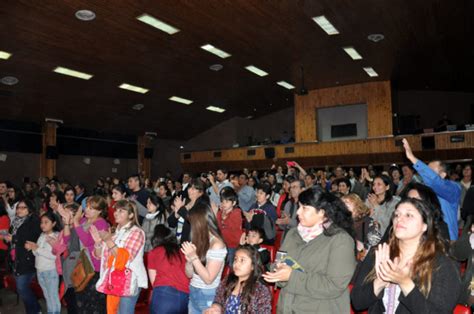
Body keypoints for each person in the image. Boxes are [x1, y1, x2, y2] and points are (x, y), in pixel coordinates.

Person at [351, 198, 461, 313]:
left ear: (425, 225)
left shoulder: (443, 265)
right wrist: (380, 281)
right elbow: (357, 302)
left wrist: (405, 282)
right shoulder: (380, 253)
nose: (399, 219)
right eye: (397, 214)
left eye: (409, 215)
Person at [262, 186, 356, 313]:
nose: (298, 212)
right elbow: (280, 260)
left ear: (322, 212)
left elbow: (335, 285)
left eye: (304, 208)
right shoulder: (293, 234)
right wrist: (276, 271)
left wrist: (291, 276)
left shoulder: (340, 240)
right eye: (299, 206)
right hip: (288, 308)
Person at [92, 199, 148, 314]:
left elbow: (124, 259)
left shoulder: (137, 232)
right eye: (116, 210)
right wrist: (98, 243)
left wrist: (108, 240)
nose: (116, 213)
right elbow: (99, 256)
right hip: (114, 280)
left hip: (129, 280)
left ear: (131, 215)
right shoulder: (115, 232)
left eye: (121, 211)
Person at [403, 138, 461, 240]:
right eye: (426, 171)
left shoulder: (453, 188)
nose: (426, 175)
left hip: (447, 240)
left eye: (430, 171)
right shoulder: (423, 190)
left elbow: (436, 182)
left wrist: (413, 158)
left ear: (443, 175)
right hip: (427, 238)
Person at [181, 203, 227, 314]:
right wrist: (189, 261)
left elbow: (208, 279)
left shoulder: (217, 245)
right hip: (194, 289)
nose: (192, 227)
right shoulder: (199, 240)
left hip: (207, 294)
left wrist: (194, 257)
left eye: (193, 223)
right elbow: (189, 274)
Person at [205, 245, 272, 314]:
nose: (237, 263)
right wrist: (216, 308)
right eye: (235, 259)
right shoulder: (228, 280)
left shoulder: (261, 290)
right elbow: (218, 300)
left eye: (242, 260)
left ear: (253, 266)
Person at [73, 195, 109, 313]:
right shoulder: (83, 220)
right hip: (82, 264)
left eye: (91, 208)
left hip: (95, 268)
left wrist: (75, 221)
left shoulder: (101, 223)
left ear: (99, 211)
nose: (87, 210)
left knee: (94, 304)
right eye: (87, 207)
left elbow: (87, 241)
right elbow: (74, 238)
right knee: (81, 302)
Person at [4, 199, 42, 314]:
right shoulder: (15, 221)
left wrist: (14, 239)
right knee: (21, 288)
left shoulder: (34, 221)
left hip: (27, 259)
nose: (19, 210)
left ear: (29, 209)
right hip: (16, 258)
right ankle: (32, 310)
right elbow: (11, 238)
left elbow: (32, 237)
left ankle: (35, 310)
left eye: (23, 207)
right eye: (18, 208)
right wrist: (7, 239)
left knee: (22, 288)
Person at [148, 225, 190, 314]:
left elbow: (153, 281)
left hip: (164, 294)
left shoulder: (154, 252)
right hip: (185, 297)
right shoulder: (183, 252)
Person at [29, 211, 62, 314]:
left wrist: (37, 248)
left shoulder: (56, 236)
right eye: (41, 222)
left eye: (46, 222)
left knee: (53, 297)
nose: (42, 225)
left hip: (50, 271)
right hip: (40, 270)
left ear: (54, 223)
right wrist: (33, 248)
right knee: (47, 296)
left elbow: (53, 256)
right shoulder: (42, 235)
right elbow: (37, 254)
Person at [342, 193, 373, 260]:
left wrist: (361, 247)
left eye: (346, 204)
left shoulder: (368, 222)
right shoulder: (341, 223)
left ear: (357, 206)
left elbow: (373, 248)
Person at [216, 187, 242, 265]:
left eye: (227, 202)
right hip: (223, 243)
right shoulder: (220, 212)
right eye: (222, 201)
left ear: (233, 203)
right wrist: (220, 214)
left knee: (231, 265)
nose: (224, 204)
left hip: (233, 245)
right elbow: (218, 226)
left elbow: (231, 226)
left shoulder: (237, 212)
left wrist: (224, 217)